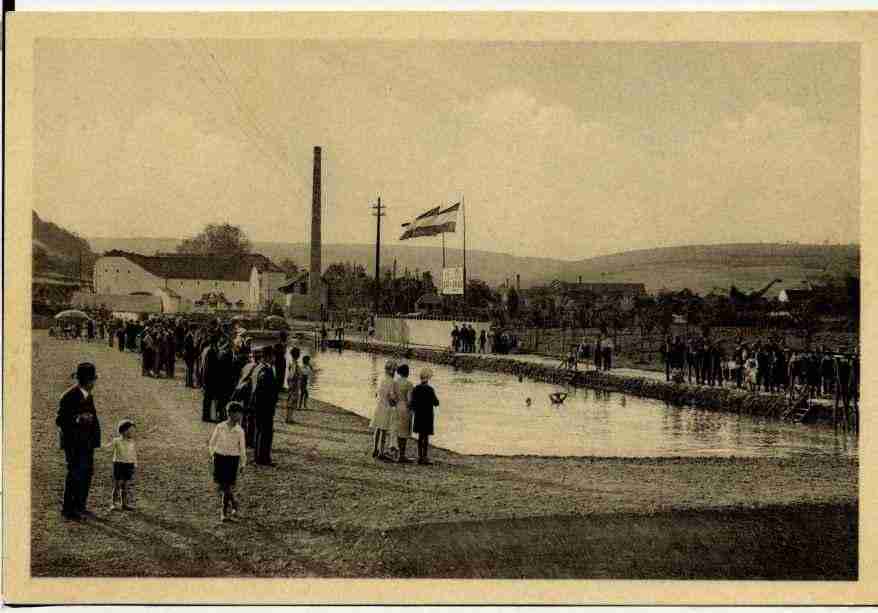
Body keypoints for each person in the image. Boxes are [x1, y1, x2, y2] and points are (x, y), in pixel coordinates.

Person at [56, 362, 102, 521]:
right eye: (93, 380)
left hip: (86, 443)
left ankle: (80, 505)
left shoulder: (88, 395)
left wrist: (95, 440)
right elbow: (60, 421)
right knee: (75, 474)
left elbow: (93, 419)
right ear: (88, 381)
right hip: (73, 443)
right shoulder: (68, 396)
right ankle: (69, 509)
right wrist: (77, 419)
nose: (94, 383)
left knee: (87, 473)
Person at [208, 402, 247, 523]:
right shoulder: (220, 427)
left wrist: (243, 463)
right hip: (220, 458)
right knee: (222, 486)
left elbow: (242, 449)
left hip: (232, 460)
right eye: (237, 414)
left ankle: (223, 512)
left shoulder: (240, 431)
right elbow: (211, 443)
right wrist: (213, 454)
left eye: (240, 414)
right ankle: (234, 502)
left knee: (227, 486)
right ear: (230, 413)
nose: (239, 416)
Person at [252, 346, 278, 467]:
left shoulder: (258, 367)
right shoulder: (266, 371)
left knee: (259, 431)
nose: (274, 358)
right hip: (265, 406)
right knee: (266, 432)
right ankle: (264, 458)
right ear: (268, 356)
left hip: (258, 405)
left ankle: (258, 456)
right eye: (273, 356)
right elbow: (266, 391)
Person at [103, 419, 137, 511]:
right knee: (117, 484)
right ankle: (113, 503)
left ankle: (124, 504)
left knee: (125, 485)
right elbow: (108, 447)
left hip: (129, 465)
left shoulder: (132, 442)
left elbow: (133, 453)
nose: (132, 432)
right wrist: (103, 445)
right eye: (130, 430)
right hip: (118, 464)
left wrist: (135, 464)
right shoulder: (117, 441)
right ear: (124, 431)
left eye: (133, 430)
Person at [410, 368, 440, 465]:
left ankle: (419, 456)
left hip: (418, 414)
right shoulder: (430, 389)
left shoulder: (415, 388)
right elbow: (436, 403)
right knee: (426, 437)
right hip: (428, 415)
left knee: (419, 437)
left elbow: (412, 403)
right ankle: (425, 456)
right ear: (427, 379)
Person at [370, 360, 399, 460]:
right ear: (391, 371)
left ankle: (375, 449)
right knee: (383, 430)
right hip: (386, 407)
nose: (394, 373)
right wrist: (396, 402)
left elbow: (376, 393)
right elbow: (391, 397)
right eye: (394, 370)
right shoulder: (391, 382)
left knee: (377, 429)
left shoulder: (381, 379)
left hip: (378, 406)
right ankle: (381, 451)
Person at [394, 364, 414, 463]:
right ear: (407, 372)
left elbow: (393, 397)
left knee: (398, 431)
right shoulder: (409, 384)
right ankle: (402, 455)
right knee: (404, 432)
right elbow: (410, 400)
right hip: (405, 408)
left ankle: (399, 454)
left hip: (397, 407)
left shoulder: (396, 382)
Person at [285, 347, 301, 423]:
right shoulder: (294, 363)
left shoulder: (292, 363)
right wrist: (293, 383)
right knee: (292, 401)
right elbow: (291, 375)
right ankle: (289, 418)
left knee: (290, 400)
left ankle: (289, 417)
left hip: (293, 383)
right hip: (294, 384)